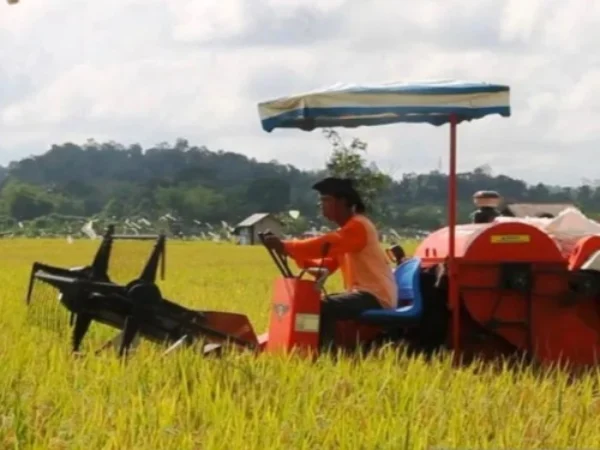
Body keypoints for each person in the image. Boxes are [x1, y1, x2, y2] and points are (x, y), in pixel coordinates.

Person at [262, 177, 397, 350]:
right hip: (364, 295)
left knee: (322, 306)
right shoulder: (347, 233)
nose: (321, 205)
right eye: (321, 201)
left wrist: (286, 246)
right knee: (316, 303)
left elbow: (324, 244)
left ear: (343, 202)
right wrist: (288, 252)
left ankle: (324, 354)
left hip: (376, 296)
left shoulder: (358, 227)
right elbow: (322, 268)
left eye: (327, 200)